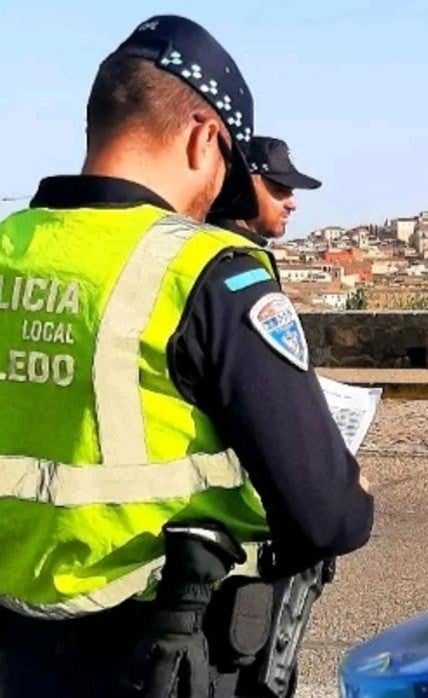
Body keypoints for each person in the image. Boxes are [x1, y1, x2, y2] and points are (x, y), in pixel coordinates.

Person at [0, 15, 373, 696]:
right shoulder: (207, 274)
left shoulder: (10, 247)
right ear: (205, 139)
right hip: (158, 657)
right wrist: (351, 495)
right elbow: (327, 515)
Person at [210, 135, 321, 246]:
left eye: (291, 191)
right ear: (245, 186)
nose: (292, 205)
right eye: (280, 190)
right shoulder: (231, 257)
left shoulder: (210, 240)